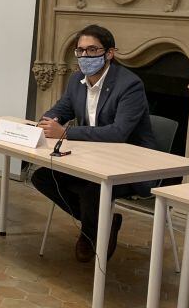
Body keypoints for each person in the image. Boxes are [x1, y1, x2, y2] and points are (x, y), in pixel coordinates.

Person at [31, 24, 157, 263]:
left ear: (109, 53)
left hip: (132, 164)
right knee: (42, 177)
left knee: (92, 187)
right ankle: (103, 224)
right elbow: (61, 109)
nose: (84, 56)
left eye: (92, 50)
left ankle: (90, 234)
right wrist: (46, 123)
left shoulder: (130, 85)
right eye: (80, 51)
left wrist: (65, 134)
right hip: (94, 158)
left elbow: (119, 133)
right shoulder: (77, 78)